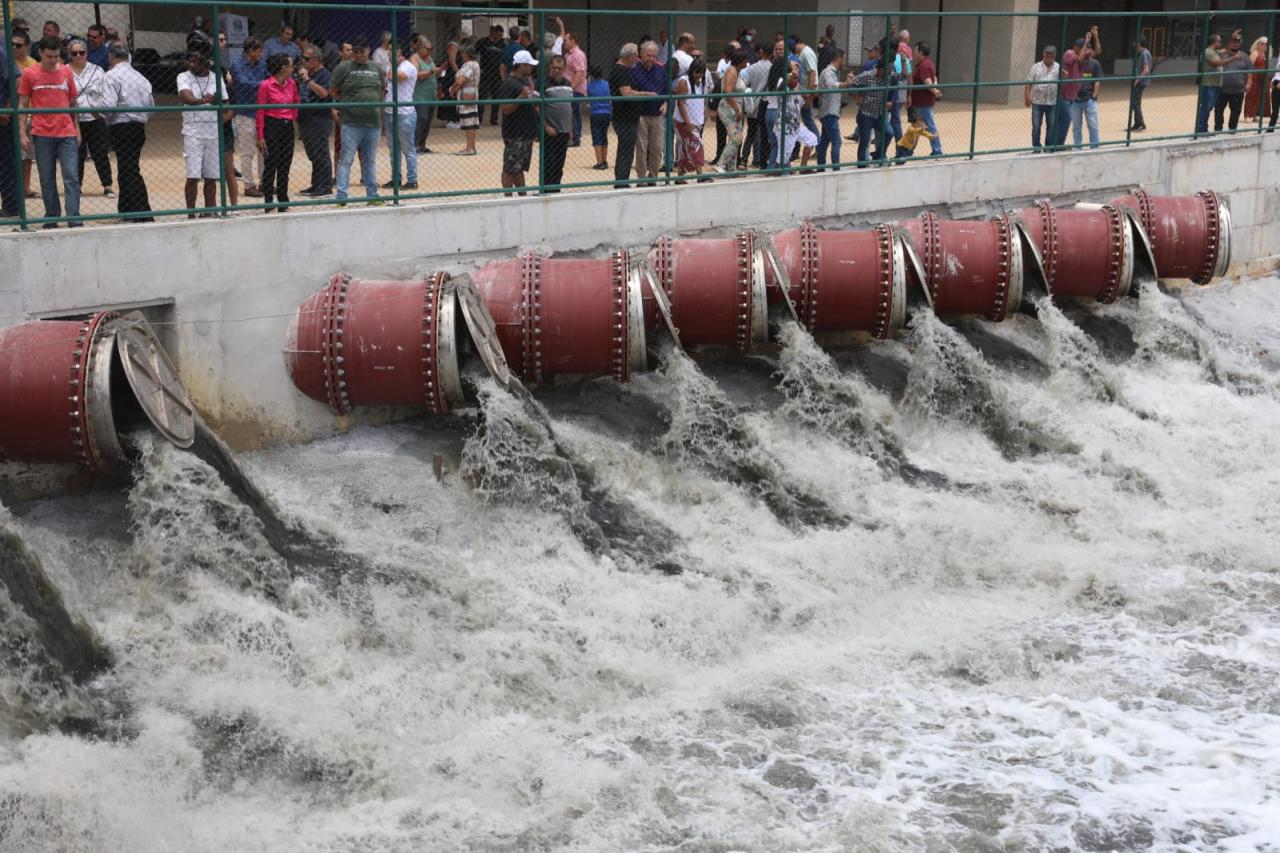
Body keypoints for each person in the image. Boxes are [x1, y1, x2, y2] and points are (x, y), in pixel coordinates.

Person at [19, 36, 81, 227]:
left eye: (56, 56)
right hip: (41, 133)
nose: (53, 60)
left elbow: (73, 102)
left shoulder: (66, 72)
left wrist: (77, 129)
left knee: (71, 176)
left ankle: (74, 217)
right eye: (49, 56)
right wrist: (22, 133)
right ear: (40, 53)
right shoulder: (29, 74)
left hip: (66, 132)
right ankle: (52, 215)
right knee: (46, 177)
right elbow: (23, 104)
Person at [100, 42, 152, 221]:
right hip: (138, 126)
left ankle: (142, 211)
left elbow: (108, 106)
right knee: (128, 167)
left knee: (128, 169)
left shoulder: (111, 76)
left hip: (121, 126)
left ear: (110, 57)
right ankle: (127, 208)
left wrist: (95, 110)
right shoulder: (140, 77)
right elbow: (150, 105)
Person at [332, 35, 384, 205]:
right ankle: (341, 197)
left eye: (362, 51)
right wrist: (344, 104)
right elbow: (333, 90)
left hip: (372, 123)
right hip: (350, 122)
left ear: (368, 50)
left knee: (369, 161)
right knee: (346, 159)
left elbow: (382, 90)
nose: (359, 55)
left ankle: (372, 196)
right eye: (356, 52)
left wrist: (372, 103)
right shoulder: (344, 67)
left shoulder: (376, 68)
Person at [177, 49, 227, 218]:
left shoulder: (215, 77)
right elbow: (186, 97)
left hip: (213, 131)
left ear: (205, 62)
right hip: (193, 132)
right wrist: (204, 100)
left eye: (195, 61)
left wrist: (216, 100)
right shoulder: (184, 76)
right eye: (189, 60)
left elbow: (225, 101)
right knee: (193, 175)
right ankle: (191, 213)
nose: (191, 64)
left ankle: (209, 211)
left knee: (211, 176)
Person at [68, 39, 113, 198]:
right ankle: (77, 186)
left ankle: (107, 185)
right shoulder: (65, 71)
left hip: (95, 116)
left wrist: (102, 112)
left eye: (81, 52)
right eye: (74, 53)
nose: (78, 56)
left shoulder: (97, 70)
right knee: (77, 154)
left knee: (100, 152)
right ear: (69, 54)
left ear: (87, 53)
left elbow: (106, 92)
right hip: (74, 118)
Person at [255, 52, 298, 212]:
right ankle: (268, 201)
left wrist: (292, 117)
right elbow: (260, 111)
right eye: (291, 65)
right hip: (272, 125)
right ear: (283, 67)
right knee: (271, 164)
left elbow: (296, 101)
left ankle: (283, 201)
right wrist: (260, 135)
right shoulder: (266, 85)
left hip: (287, 126)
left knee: (285, 165)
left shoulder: (291, 83)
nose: (293, 68)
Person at [498, 49, 538, 196]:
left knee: (518, 168)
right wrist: (520, 97)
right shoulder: (509, 83)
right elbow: (505, 109)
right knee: (509, 168)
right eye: (528, 65)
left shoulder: (523, 80)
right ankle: (508, 198)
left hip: (525, 133)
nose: (531, 68)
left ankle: (522, 196)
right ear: (521, 65)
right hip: (515, 134)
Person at [231, 37, 267, 197]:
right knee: (247, 151)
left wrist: (262, 84)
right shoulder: (237, 65)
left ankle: (264, 182)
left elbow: (267, 81)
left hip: (261, 112)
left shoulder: (262, 64)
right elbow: (243, 84)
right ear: (250, 51)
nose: (261, 54)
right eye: (259, 51)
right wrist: (264, 84)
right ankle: (248, 185)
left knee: (263, 149)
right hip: (245, 112)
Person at [296, 46, 333, 196]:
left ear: (317, 60)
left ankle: (325, 186)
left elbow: (324, 93)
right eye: (302, 58)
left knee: (320, 152)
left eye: (306, 59)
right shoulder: (307, 74)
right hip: (306, 118)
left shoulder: (324, 74)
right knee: (312, 153)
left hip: (319, 118)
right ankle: (316, 183)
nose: (303, 62)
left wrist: (308, 80)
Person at [630, 40, 668, 182]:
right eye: (648, 55)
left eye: (654, 56)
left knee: (657, 149)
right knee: (641, 149)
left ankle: (653, 177)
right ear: (641, 53)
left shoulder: (660, 70)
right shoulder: (633, 69)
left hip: (657, 115)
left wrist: (665, 104)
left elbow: (667, 91)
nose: (651, 59)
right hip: (640, 115)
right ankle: (641, 178)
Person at [382, 43, 418, 190]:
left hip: (404, 113)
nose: (389, 52)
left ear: (401, 52)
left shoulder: (408, 66)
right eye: (389, 50)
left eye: (392, 50)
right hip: (389, 112)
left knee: (408, 149)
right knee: (393, 149)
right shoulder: (391, 66)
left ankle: (412, 180)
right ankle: (395, 178)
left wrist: (392, 64)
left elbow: (396, 77)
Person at [609, 44, 644, 187]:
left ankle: (623, 179)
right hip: (624, 117)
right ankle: (621, 181)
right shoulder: (621, 70)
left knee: (627, 149)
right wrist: (646, 94)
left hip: (629, 117)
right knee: (626, 150)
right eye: (636, 56)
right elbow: (626, 92)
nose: (637, 59)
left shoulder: (627, 70)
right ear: (630, 57)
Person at [541, 54, 573, 191]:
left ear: (564, 68)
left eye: (560, 68)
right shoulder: (543, 83)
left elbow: (569, 107)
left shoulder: (568, 84)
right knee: (549, 163)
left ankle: (556, 189)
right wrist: (546, 126)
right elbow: (536, 108)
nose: (556, 70)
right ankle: (546, 190)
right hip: (550, 132)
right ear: (550, 67)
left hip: (564, 131)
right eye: (554, 67)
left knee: (559, 164)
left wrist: (570, 128)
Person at [673, 55, 707, 181]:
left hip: (696, 121)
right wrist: (687, 122)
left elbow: (702, 101)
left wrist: (703, 115)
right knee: (697, 145)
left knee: (685, 147)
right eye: (697, 72)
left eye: (701, 73)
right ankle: (700, 175)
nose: (699, 75)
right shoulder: (684, 81)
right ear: (691, 71)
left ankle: (680, 176)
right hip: (684, 122)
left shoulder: (701, 83)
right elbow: (681, 103)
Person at [716, 49, 750, 174]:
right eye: (745, 60)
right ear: (740, 61)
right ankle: (721, 164)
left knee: (735, 138)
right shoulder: (731, 71)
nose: (747, 62)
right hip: (729, 108)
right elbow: (728, 92)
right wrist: (736, 109)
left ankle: (732, 168)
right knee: (736, 138)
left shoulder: (737, 71)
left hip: (735, 108)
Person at [1197, 32, 1236, 135]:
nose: (1221, 43)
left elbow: (1226, 49)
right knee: (1205, 107)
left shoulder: (1215, 52)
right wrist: (1233, 58)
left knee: (1209, 107)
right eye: (1219, 41)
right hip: (1209, 84)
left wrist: (1232, 37)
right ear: (1214, 42)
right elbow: (1217, 63)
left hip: (1215, 84)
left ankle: (1204, 128)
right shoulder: (1208, 52)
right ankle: (1200, 129)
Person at [849, 58, 886, 165]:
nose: (890, 72)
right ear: (880, 69)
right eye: (887, 69)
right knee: (865, 141)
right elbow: (852, 83)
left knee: (889, 133)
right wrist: (857, 97)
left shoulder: (888, 75)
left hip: (878, 115)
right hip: (866, 114)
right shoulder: (867, 75)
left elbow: (902, 77)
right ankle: (861, 164)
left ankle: (877, 155)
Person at [743, 41, 773, 169]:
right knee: (764, 134)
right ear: (772, 53)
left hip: (752, 105)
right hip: (765, 104)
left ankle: (743, 160)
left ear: (761, 52)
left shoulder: (751, 68)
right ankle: (762, 160)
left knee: (750, 134)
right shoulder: (773, 68)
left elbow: (745, 83)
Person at [910, 41, 942, 155]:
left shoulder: (923, 65)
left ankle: (937, 150)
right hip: (921, 101)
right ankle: (909, 149)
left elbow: (927, 80)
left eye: (915, 50)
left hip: (923, 102)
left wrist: (934, 91)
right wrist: (935, 88)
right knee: (917, 126)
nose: (913, 52)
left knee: (929, 126)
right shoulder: (928, 63)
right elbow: (934, 78)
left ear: (921, 52)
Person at [1026, 46, 1060, 151]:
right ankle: (1036, 147)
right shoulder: (1036, 67)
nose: (1048, 56)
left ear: (1055, 55)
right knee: (1036, 125)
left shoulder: (1058, 67)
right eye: (1046, 54)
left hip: (1052, 102)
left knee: (1051, 125)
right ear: (1043, 54)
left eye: (1051, 54)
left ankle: (1048, 146)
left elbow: (1063, 81)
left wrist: (1065, 76)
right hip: (1038, 101)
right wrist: (1027, 96)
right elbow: (1029, 82)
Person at [815, 48, 845, 170]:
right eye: (843, 59)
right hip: (829, 112)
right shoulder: (828, 72)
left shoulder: (833, 72)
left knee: (825, 140)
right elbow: (830, 85)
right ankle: (835, 168)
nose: (844, 62)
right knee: (837, 141)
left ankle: (821, 167)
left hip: (829, 111)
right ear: (838, 59)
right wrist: (845, 84)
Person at [1071, 37, 1103, 149]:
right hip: (1075, 100)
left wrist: (1094, 96)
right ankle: (1077, 146)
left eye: (1090, 49)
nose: (1088, 51)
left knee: (1093, 125)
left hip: (1089, 99)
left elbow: (1098, 80)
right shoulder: (1075, 62)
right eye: (1085, 49)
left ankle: (1094, 146)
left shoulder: (1095, 63)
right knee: (1076, 126)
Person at [0, 39, 19, 219]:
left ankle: (12, 206)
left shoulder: (1, 51)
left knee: (5, 162)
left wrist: (7, 108)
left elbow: (16, 80)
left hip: (2, 118)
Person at [1216, 32, 1250, 131]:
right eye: (1233, 42)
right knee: (1218, 110)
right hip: (1222, 89)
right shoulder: (1222, 54)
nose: (1235, 44)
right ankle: (1218, 128)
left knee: (1235, 111)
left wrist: (1249, 83)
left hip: (1238, 90)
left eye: (1237, 42)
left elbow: (1250, 70)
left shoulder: (1244, 56)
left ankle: (1232, 129)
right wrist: (1231, 36)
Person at [412, 36, 440, 153]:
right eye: (427, 49)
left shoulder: (429, 58)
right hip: (420, 96)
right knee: (421, 119)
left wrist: (438, 72)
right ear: (420, 47)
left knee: (428, 120)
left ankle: (422, 144)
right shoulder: (415, 58)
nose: (429, 52)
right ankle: (415, 145)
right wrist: (431, 71)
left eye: (431, 49)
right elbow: (416, 75)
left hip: (431, 96)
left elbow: (432, 72)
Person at [451, 45, 480, 155]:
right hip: (472, 93)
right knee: (471, 120)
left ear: (467, 54)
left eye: (463, 53)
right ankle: (471, 147)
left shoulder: (469, 65)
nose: (462, 55)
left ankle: (470, 148)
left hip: (467, 94)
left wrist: (452, 89)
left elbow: (460, 80)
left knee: (469, 121)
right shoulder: (475, 64)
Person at [792, 34, 820, 148]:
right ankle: (815, 144)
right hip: (804, 92)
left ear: (798, 43)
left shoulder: (806, 53)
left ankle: (817, 145)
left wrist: (809, 93)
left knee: (807, 120)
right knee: (805, 119)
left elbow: (812, 73)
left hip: (807, 93)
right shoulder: (803, 53)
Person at [562, 31, 588, 147]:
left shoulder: (578, 54)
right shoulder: (568, 54)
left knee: (573, 112)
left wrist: (571, 88)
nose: (564, 43)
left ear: (573, 41)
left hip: (575, 89)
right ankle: (573, 136)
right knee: (571, 112)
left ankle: (575, 138)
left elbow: (580, 73)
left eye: (566, 40)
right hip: (570, 88)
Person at [585, 65, 611, 170]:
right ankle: (604, 161)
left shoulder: (589, 85)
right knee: (604, 136)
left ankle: (599, 162)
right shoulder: (606, 84)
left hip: (595, 113)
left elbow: (587, 97)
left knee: (597, 137)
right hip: (607, 112)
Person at [478, 25, 505, 126]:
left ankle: (493, 119)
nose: (499, 37)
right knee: (482, 96)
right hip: (485, 74)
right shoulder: (483, 42)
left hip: (497, 75)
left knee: (496, 97)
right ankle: (479, 119)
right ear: (493, 33)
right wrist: (478, 67)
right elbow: (474, 52)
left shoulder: (502, 44)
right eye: (498, 35)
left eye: (501, 35)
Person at [1244, 37, 1271, 121]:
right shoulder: (1254, 54)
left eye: (1265, 44)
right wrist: (1249, 80)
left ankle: (1255, 115)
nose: (1264, 45)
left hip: (1263, 79)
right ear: (1258, 44)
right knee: (1252, 96)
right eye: (1262, 44)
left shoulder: (1267, 55)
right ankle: (1248, 115)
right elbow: (1249, 68)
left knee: (1261, 97)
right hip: (1255, 78)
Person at [1130, 35, 1152, 131]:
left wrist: (1137, 79)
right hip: (1141, 81)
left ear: (1139, 43)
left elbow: (1146, 69)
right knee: (1135, 102)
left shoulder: (1144, 54)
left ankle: (1141, 124)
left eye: (1136, 42)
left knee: (1135, 103)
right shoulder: (1143, 53)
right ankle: (1137, 124)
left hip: (1141, 81)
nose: (1134, 44)